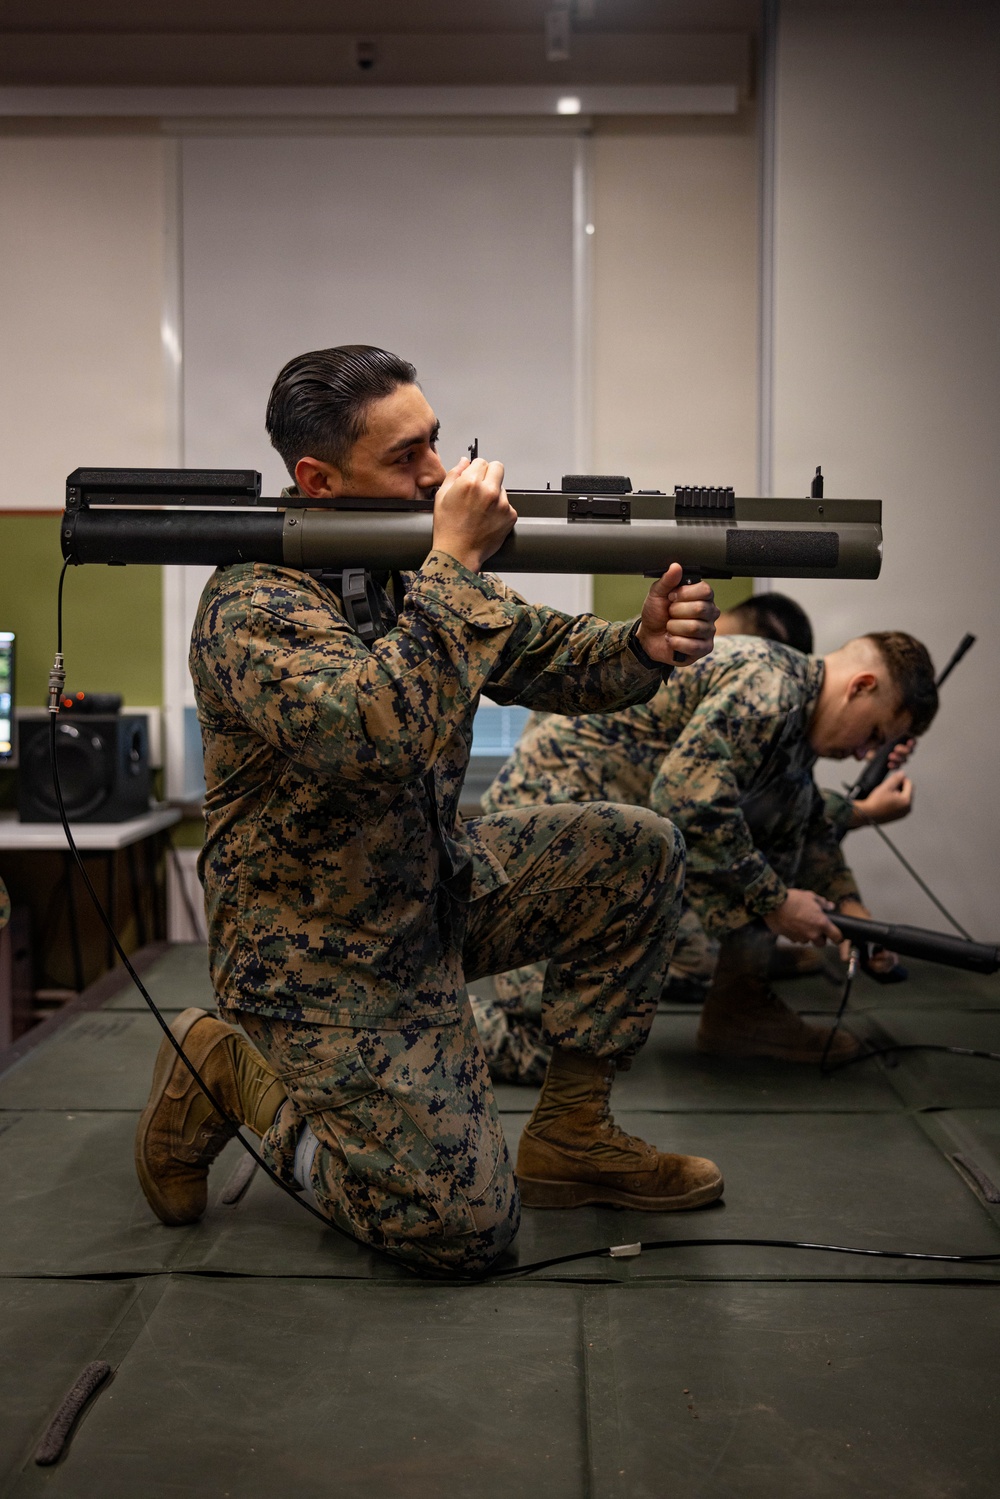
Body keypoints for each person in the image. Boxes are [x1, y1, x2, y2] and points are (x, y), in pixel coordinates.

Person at [133, 344, 724, 1277]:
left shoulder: (413, 571)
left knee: (636, 849)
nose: (439, 474)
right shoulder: (251, 603)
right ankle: (235, 1074)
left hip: (430, 891)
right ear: (318, 480)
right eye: (406, 455)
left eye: (436, 442)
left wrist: (643, 643)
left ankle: (573, 1131)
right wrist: (451, 565)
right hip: (313, 952)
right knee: (460, 1228)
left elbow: (548, 653)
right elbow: (371, 732)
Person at [475, 597, 917, 1083]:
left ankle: (741, 1010)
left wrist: (853, 912)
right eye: (873, 734)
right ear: (862, 686)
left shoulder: (794, 709)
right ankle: (398, 1023)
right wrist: (775, 901)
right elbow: (689, 799)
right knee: (550, 1053)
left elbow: (798, 818)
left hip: (612, 836)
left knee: (759, 838)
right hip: (555, 826)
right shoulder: (772, 690)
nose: (863, 755)